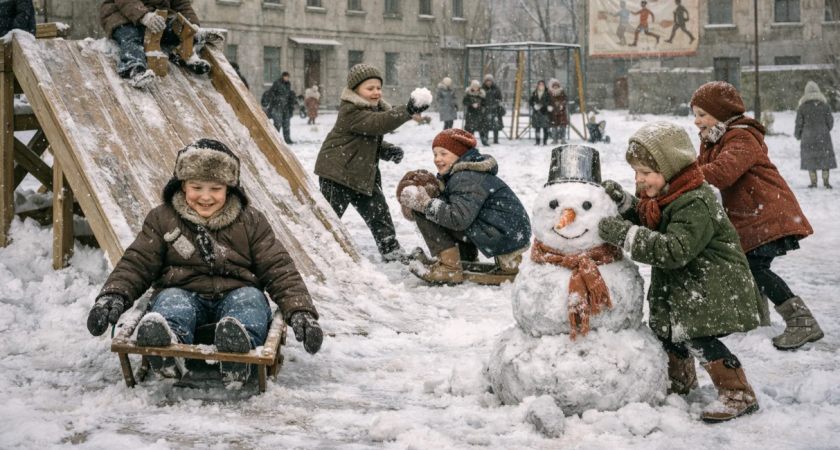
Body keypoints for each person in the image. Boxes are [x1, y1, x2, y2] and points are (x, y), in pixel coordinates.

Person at [85, 139, 323, 387]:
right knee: (170, 302)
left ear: (229, 189)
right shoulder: (163, 218)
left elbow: (278, 267)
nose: (206, 197)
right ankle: (167, 345)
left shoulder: (250, 221)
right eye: (197, 187)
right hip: (183, 291)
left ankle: (238, 352)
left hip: (236, 293)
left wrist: (300, 310)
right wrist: (114, 295)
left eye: (216, 188)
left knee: (250, 301)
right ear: (182, 186)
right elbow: (138, 262)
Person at [598, 121, 763, 423]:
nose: (639, 179)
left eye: (645, 173)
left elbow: (672, 249)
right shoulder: (671, 194)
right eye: (636, 172)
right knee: (670, 334)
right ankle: (681, 382)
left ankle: (738, 393)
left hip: (711, 284)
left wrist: (625, 235)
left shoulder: (694, 201)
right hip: (689, 285)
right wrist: (625, 204)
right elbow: (654, 221)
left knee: (699, 338)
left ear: (669, 167)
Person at [690, 81, 822, 350]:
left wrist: (682, 177)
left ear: (722, 113)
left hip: (767, 213)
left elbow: (722, 173)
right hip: (751, 216)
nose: (696, 121)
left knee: (754, 267)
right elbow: (702, 168)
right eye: (694, 114)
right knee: (749, 268)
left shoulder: (741, 137)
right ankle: (756, 323)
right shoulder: (717, 138)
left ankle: (801, 321)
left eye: (702, 114)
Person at [314, 64, 429, 263]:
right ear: (355, 90)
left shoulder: (371, 109)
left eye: (378, 87)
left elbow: (367, 138)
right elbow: (378, 124)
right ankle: (314, 250)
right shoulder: (351, 110)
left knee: (379, 213)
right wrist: (408, 110)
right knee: (328, 219)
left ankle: (391, 250)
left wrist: (386, 150)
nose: (376, 92)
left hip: (363, 174)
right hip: (337, 173)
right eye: (370, 88)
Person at [398, 129, 531, 285]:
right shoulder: (464, 174)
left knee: (427, 210)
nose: (437, 159)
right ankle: (463, 257)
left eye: (443, 153)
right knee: (442, 208)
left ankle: (449, 268)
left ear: (459, 155)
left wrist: (425, 204)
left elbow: (458, 219)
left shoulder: (465, 177)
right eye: (435, 154)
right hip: (509, 233)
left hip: (505, 235)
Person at [100, 0, 217, 88]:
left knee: (178, 29)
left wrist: (192, 24)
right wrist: (143, 16)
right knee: (131, 36)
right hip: (122, 15)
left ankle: (187, 55)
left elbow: (182, 4)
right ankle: (134, 67)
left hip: (157, 17)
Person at [795, 81, 836, 188]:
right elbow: (830, 122)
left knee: (810, 159)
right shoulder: (825, 106)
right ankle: (826, 181)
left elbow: (798, 123)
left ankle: (814, 182)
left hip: (808, 137)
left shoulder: (803, 107)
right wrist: (825, 130)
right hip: (824, 136)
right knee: (825, 158)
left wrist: (798, 134)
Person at [262, 71, 297, 144]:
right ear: (283, 77)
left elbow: (287, 95)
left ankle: (287, 139)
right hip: (277, 107)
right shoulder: (277, 83)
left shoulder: (287, 84)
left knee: (286, 124)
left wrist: (292, 96)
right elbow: (271, 93)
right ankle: (275, 140)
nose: (287, 78)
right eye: (286, 77)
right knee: (277, 124)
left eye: (288, 77)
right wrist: (268, 101)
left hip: (285, 107)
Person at [463, 80, 489, 146]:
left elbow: (485, 103)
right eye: (474, 87)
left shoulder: (481, 94)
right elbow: (464, 102)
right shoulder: (468, 94)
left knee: (481, 128)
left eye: (477, 87)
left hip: (479, 113)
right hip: (470, 113)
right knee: (470, 129)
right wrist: (471, 105)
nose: (476, 88)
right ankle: (470, 142)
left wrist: (479, 105)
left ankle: (484, 141)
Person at [483, 74, 505, 144]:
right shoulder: (482, 89)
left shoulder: (496, 89)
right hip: (486, 109)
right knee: (486, 125)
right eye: (487, 81)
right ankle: (485, 138)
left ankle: (496, 139)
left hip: (495, 109)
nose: (488, 82)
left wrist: (496, 103)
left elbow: (500, 98)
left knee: (495, 125)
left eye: (489, 81)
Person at [529, 80, 551, 146]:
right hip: (537, 113)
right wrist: (534, 105)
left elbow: (549, 102)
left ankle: (545, 141)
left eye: (542, 84)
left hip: (544, 112)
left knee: (545, 128)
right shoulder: (535, 92)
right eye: (540, 84)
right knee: (537, 128)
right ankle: (537, 141)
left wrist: (543, 105)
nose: (541, 86)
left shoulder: (547, 93)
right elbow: (531, 101)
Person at [548, 79, 569, 144]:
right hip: (554, 112)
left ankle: (563, 139)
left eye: (557, 85)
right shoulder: (550, 92)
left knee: (563, 126)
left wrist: (561, 104)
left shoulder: (562, 91)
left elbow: (565, 99)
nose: (555, 86)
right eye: (554, 85)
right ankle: (555, 139)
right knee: (554, 127)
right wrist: (551, 105)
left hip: (561, 112)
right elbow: (548, 101)